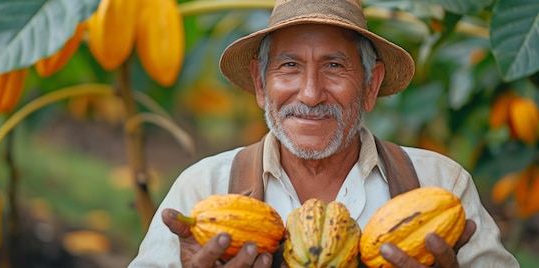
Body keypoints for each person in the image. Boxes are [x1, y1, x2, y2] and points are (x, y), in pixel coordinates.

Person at [128, 0, 520, 267]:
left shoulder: (441, 183)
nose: (311, 94)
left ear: (370, 85)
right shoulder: (202, 191)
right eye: (289, 66)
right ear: (261, 85)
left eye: (334, 65)